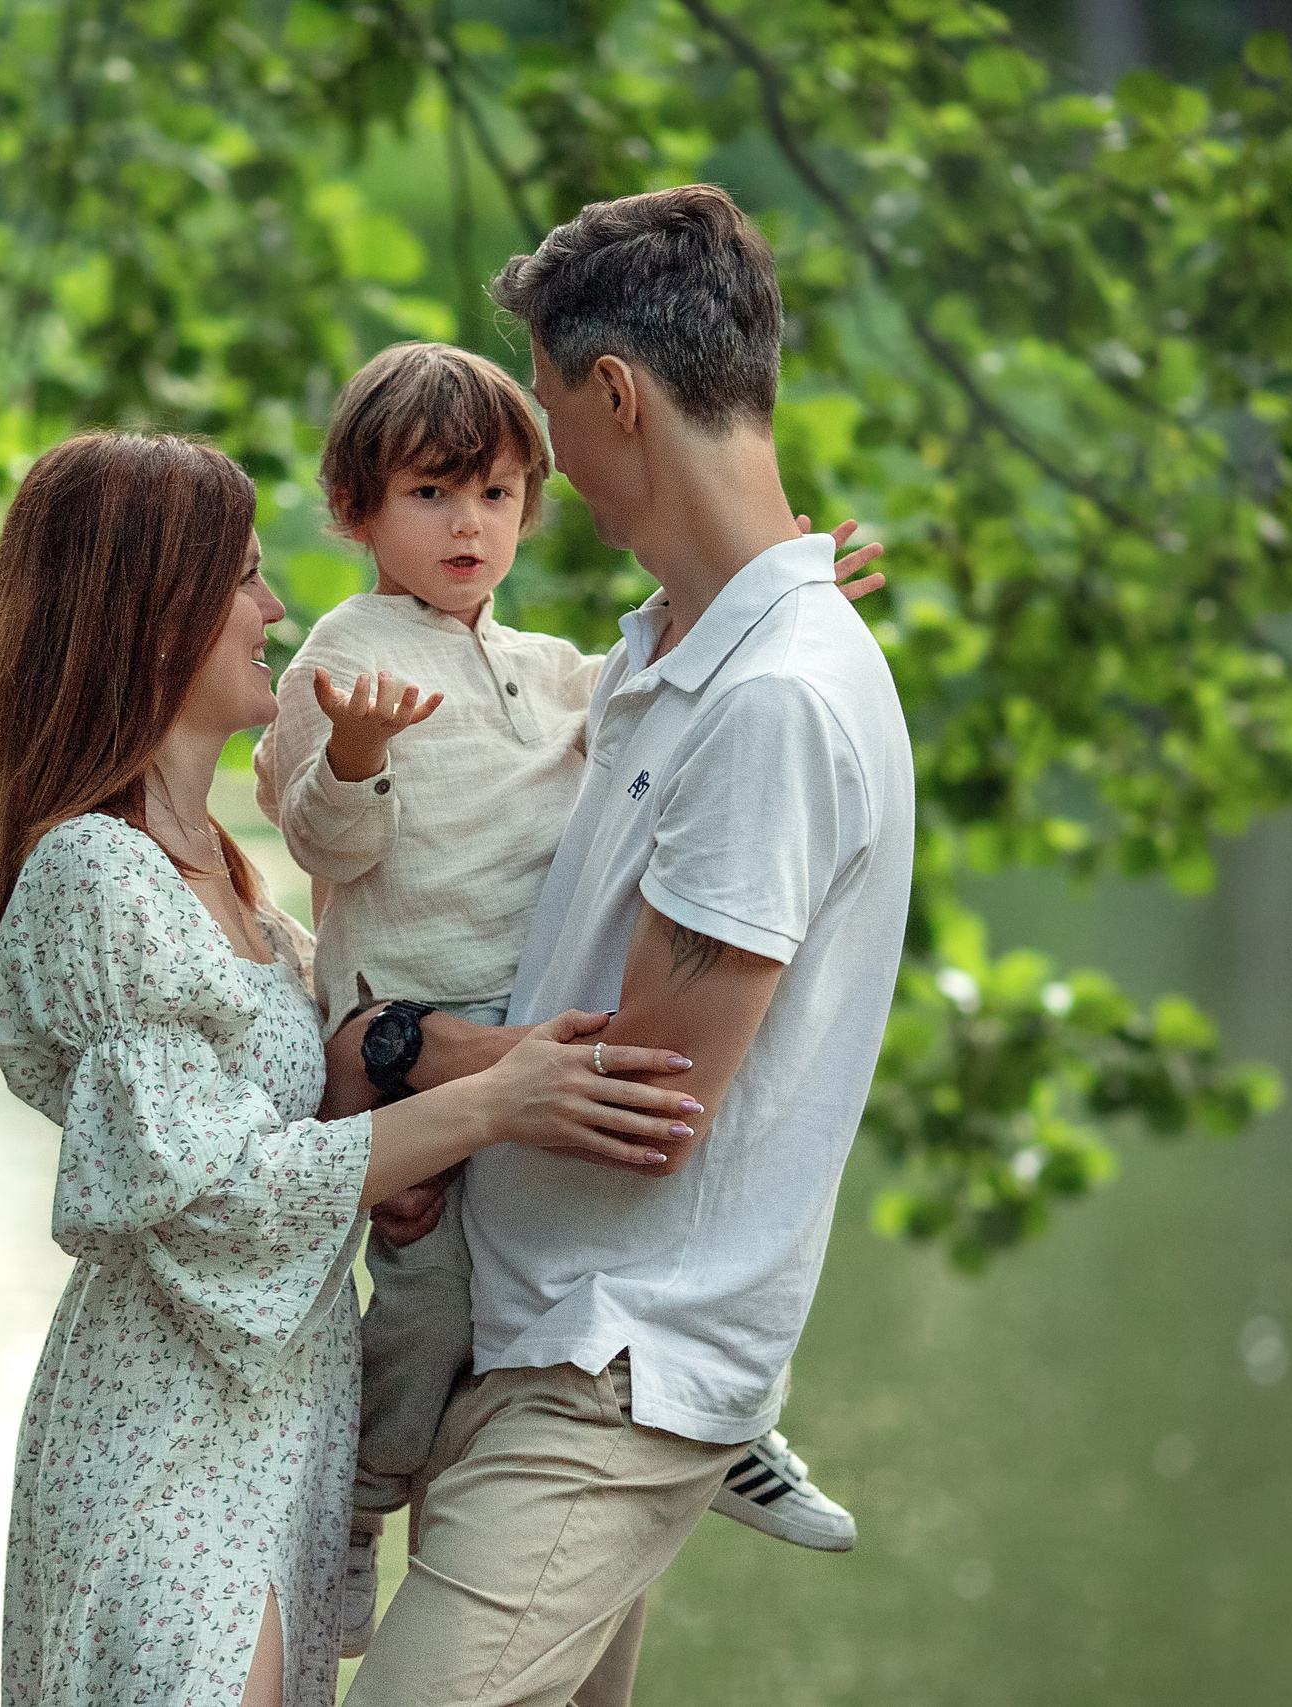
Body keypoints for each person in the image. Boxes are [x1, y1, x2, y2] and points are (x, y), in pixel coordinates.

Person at [0, 430, 707, 1707]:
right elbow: (215, 1191)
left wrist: (403, 1102)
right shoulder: (96, 871)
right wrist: (488, 1105)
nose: (276, 609)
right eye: (240, 580)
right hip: (169, 1441)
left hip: (278, 1432)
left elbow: (307, 1098)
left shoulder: (226, 874)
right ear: (148, 613)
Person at [335, 184, 917, 1707]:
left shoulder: (777, 694)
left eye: (545, 409)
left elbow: (642, 1100)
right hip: (522, 1330)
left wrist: (388, 1059)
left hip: (607, 1375)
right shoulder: (669, 646)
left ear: (615, 394)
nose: (544, 462)